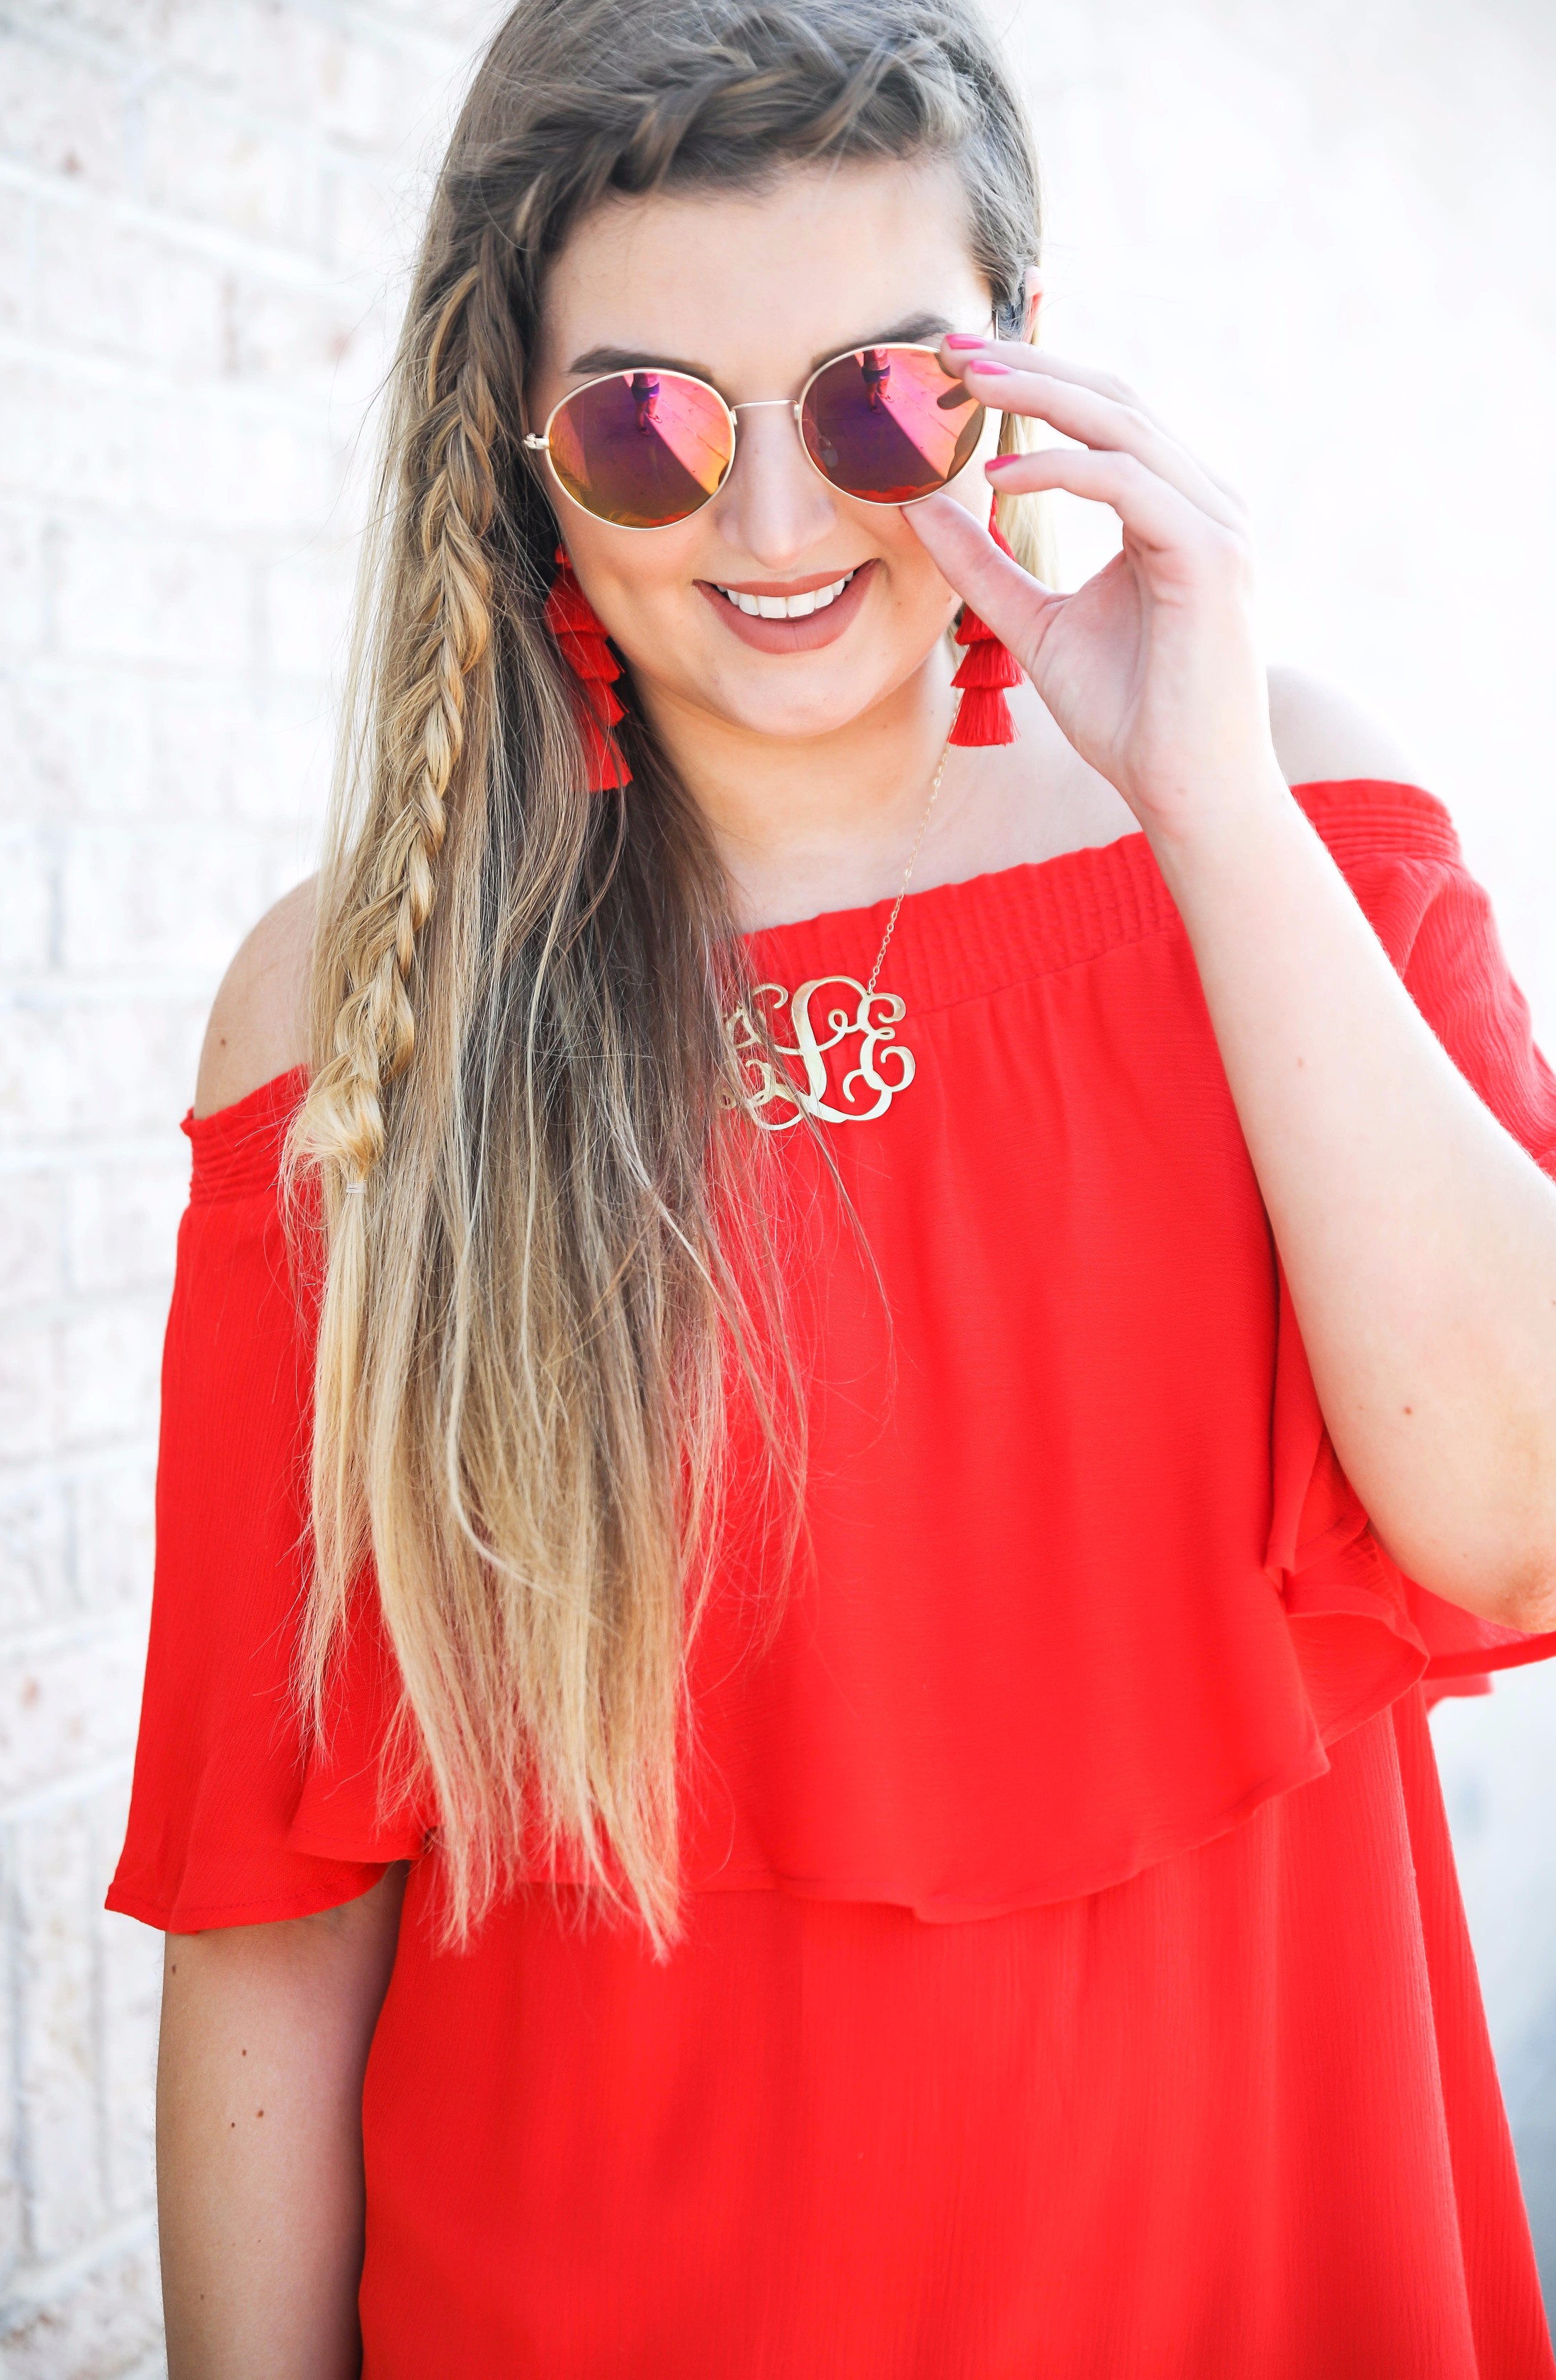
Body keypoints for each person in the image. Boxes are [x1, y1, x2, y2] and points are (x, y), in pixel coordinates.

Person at [106, 0, 1556, 2372]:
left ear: (1021, 373)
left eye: (880, 400)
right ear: (522, 445)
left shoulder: (1290, 826)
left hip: (1250, 2286)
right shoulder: (351, 1008)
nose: (777, 529)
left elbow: (1521, 1512)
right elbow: (268, 1917)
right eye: (653, 427)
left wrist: (1200, 792)